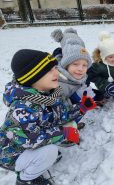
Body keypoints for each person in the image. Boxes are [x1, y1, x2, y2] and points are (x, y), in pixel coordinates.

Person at [0, 49, 96, 185]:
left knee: (56, 135)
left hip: (29, 145)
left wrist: (81, 108)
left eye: (55, 68)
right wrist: (65, 133)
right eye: (49, 71)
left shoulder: (49, 95)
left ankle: (36, 159)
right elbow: (32, 139)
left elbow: (61, 117)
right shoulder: (23, 108)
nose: (57, 72)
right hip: (12, 154)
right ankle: (25, 179)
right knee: (50, 151)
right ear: (33, 78)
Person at [51, 28, 97, 132]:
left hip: (67, 110)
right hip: (55, 120)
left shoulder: (74, 77)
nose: (80, 69)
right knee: (81, 103)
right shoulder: (60, 82)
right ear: (66, 65)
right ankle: (66, 133)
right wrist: (81, 108)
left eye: (84, 65)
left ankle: (72, 125)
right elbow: (59, 112)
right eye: (75, 64)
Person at [87, 32, 114, 103]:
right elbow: (91, 76)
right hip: (104, 83)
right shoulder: (99, 65)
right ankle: (105, 95)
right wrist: (102, 83)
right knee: (112, 89)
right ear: (104, 57)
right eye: (110, 57)